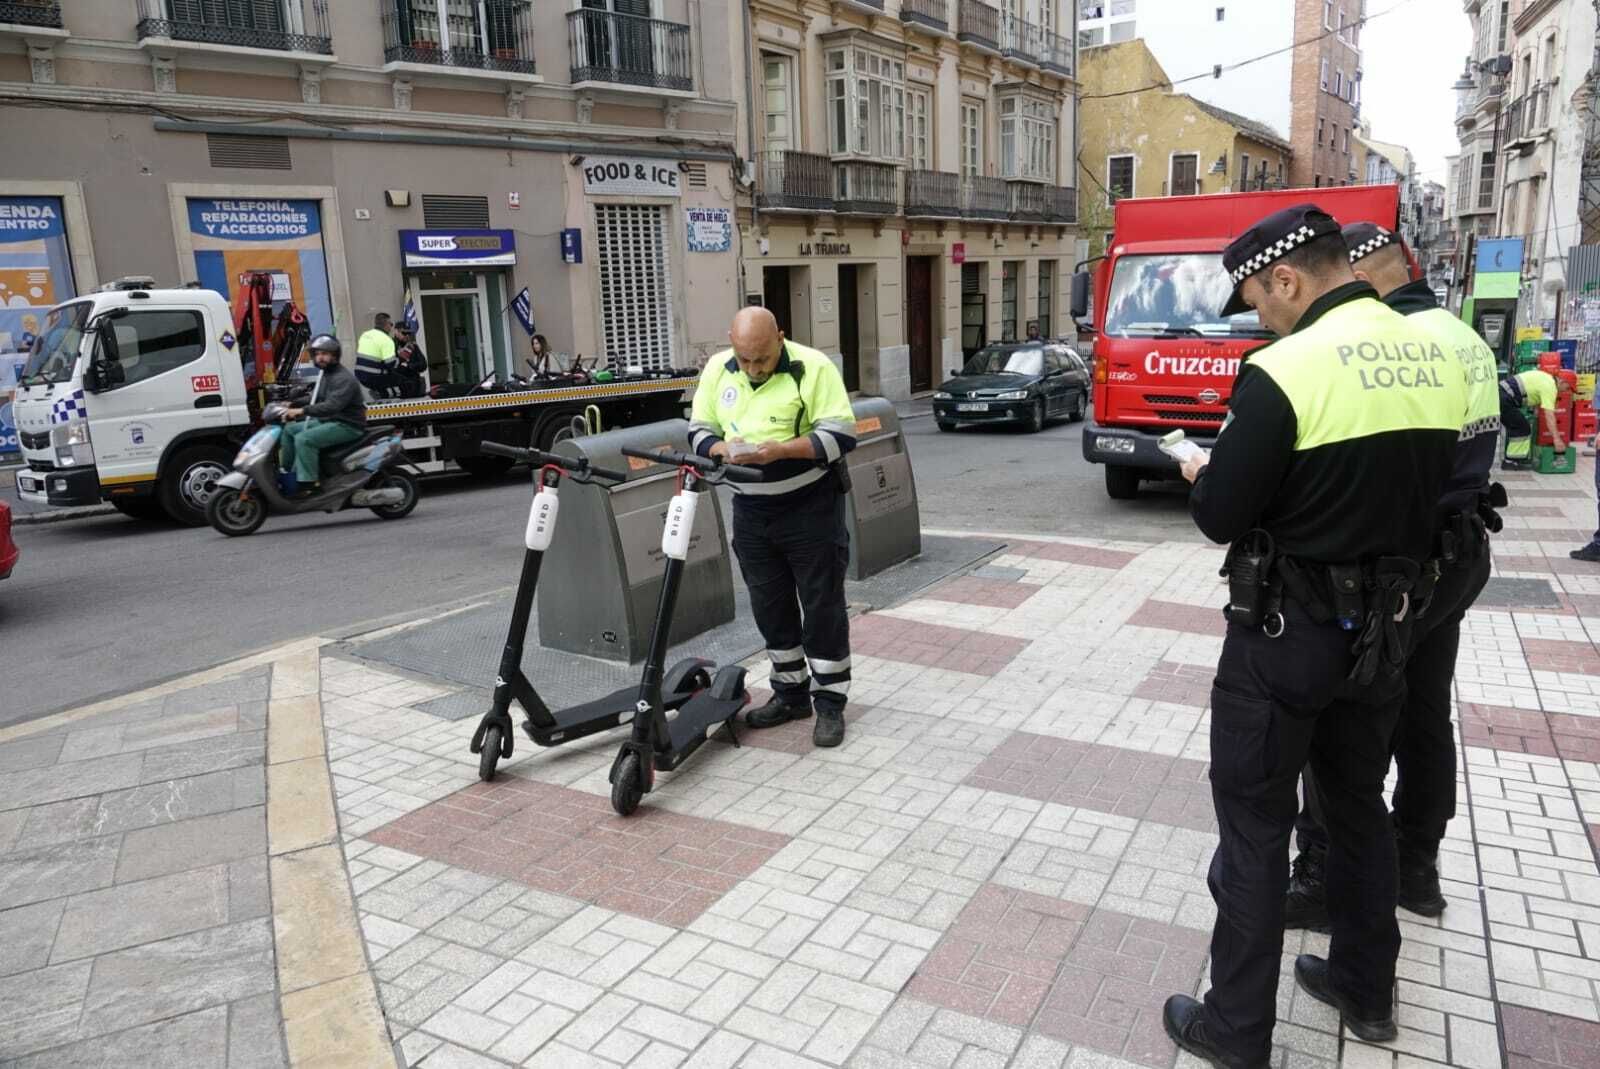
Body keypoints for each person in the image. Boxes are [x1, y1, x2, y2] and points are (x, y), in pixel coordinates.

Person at [1161, 205, 1468, 1068]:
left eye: (1260, 300)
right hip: (1386, 634)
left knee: (1255, 826)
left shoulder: (1285, 368)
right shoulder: (1434, 352)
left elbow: (1222, 514)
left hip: (1285, 635)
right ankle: (1367, 991)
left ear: (1286, 278)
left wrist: (1203, 470)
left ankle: (1235, 1030)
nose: (1261, 318)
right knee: (1359, 805)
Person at [1283, 223, 1502, 930]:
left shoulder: (1391, 346)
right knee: (1425, 713)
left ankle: (1323, 874)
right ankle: (1418, 866)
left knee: (1345, 721)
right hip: (1461, 550)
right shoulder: (1463, 338)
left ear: (1356, 277)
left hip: (1400, 568)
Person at [688, 306, 858, 748]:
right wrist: (720, 448)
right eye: (744, 359)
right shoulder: (718, 369)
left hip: (810, 507)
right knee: (769, 606)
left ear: (780, 337)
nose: (753, 369)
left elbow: (842, 435)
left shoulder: (812, 366)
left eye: (762, 358)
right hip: (750, 512)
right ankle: (790, 695)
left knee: (822, 606)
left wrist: (780, 451)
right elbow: (699, 431)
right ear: (732, 343)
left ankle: (830, 703)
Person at [279, 334, 366, 497]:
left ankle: (309, 484)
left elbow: (332, 406)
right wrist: (292, 403)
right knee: (289, 431)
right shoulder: (326, 374)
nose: (320, 358)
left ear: (335, 355)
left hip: (347, 425)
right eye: (317, 354)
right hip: (329, 421)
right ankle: (289, 473)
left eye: (325, 354)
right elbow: (316, 398)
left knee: (304, 439)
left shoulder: (342, 378)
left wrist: (302, 411)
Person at [1500, 359, 1562, 470]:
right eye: (1568, 388)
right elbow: (1549, 416)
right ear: (1563, 382)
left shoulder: (1546, 379)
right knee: (1522, 427)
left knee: (1517, 425)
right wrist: (1557, 439)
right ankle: (1510, 462)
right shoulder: (1551, 386)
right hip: (1504, 398)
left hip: (1502, 395)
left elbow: (1533, 393)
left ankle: (1513, 459)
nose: (1566, 391)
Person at [355, 313, 400, 397]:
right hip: (375, 376)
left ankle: (379, 391)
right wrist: (400, 359)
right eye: (391, 324)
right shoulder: (387, 339)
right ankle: (382, 394)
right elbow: (391, 364)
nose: (391, 327)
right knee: (400, 383)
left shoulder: (365, 335)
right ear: (386, 325)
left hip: (360, 375)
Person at [393, 326, 428, 399]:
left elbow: (423, 365)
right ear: (396, 333)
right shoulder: (392, 347)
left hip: (414, 385)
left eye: (409, 333)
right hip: (398, 387)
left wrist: (408, 365)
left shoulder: (413, 346)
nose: (407, 336)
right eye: (404, 333)